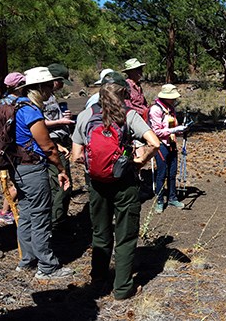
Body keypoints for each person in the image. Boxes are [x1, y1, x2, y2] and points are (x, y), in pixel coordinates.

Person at [71, 72, 160, 300]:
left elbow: (76, 155)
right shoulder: (129, 115)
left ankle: (98, 279)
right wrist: (139, 161)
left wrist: (98, 163)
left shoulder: (85, 115)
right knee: (126, 235)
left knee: (100, 232)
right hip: (125, 183)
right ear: (124, 93)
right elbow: (154, 142)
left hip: (97, 184)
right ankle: (122, 288)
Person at [11, 66, 73, 279]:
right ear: (39, 87)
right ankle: (47, 266)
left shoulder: (16, 105)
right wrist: (61, 168)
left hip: (18, 167)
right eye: (48, 85)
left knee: (27, 212)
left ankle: (27, 260)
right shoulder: (31, 110)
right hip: (33, 168)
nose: (50, 89)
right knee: (40, 215)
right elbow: (47, 146)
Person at [45, 63, 75, 236]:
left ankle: (59, 220)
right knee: (62, 185)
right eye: (61, 82)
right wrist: (59, 123)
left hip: (59, 142)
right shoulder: (42, 98)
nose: (62, 86)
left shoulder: (51, 97)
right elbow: (38, 124)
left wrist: (63, 118)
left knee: (62, 184)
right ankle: (56, 224)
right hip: (53, 144)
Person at [149, 84, 188, 212]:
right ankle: (160, 201)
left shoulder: (170, 108)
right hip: (160, 145)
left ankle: (172, 198)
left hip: (172, 143)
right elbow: (157, 131)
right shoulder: (155, 110)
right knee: (161, 173)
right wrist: (175, 129)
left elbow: (171, 126)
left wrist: (180, 130)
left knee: (172, 173)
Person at [0, 72, 26, 224]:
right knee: (18, 181)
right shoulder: (18, 103)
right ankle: (5, 211)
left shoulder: (1, 102)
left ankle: (5, 210)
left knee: (13, 180)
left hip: (4, 147)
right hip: (16, 147)